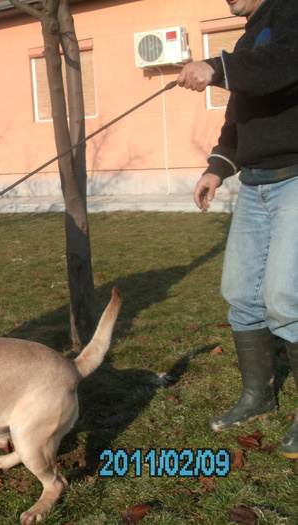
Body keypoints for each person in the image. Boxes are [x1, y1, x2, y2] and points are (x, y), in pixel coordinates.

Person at [176, 0, 298, 459]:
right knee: (241, 296)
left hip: (296, 178)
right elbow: (240, 113)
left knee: (286, 298)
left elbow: (285, 62)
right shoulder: (251, 34)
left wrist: (219, 66)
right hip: (256, 184)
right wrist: (217, 166)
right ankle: (258, 396)